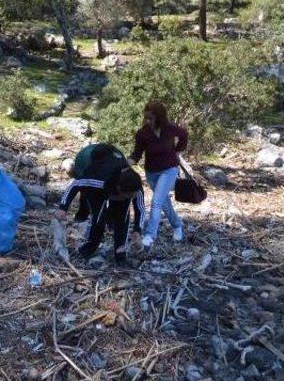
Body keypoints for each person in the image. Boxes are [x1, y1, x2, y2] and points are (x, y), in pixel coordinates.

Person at [55, 144, 146, 265]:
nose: (132, 198)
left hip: (115, 165)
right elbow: (75, 184)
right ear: (119, 189)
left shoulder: (136, 187)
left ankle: (120, 253)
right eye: (129, 196)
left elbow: (140, 208)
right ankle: (90, 246)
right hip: (88, 162)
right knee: (99, 216)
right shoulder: (98, 180)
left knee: (122, 216)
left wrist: (137, 230)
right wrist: (63, 207)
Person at [128, 100, 188, 249]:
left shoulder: (169, 128)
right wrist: (126, 163)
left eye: (151, 118)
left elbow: (184, 134)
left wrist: (177, 151)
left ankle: (149, 236)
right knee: (163, 202)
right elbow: (137, 154)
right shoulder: (142, 133)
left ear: (159, 117)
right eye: (146, 118)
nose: (148, 121)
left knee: (156, 202)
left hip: (169, 169)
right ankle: (177, 225)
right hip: (151, 173)